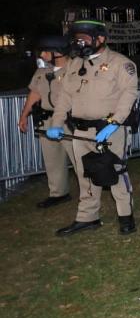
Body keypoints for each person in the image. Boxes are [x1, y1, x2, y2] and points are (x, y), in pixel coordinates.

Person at [45, 20, 139, 236]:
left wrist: (114, 123)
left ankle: (126, 216)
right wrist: (57, 123)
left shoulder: (120, 63)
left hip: (109, 129)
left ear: (101, 39)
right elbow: (64, 97)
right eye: (77, 38)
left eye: (85, 38)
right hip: (80, 132)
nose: (79, 42)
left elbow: (129, 95)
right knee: (84, 174)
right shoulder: (75, 64)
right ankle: (88, 217)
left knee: (115, 172)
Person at [18, 35, 72, 208]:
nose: (41, 54)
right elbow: (35, 93)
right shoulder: (42, 71)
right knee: (52, 159)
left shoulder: (75, 69)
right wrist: (24, 115)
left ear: (57, 52)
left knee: (79, 158)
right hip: (47, 119)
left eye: (45, 51)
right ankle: (58, 193)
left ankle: (90, 194)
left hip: (69, 120)